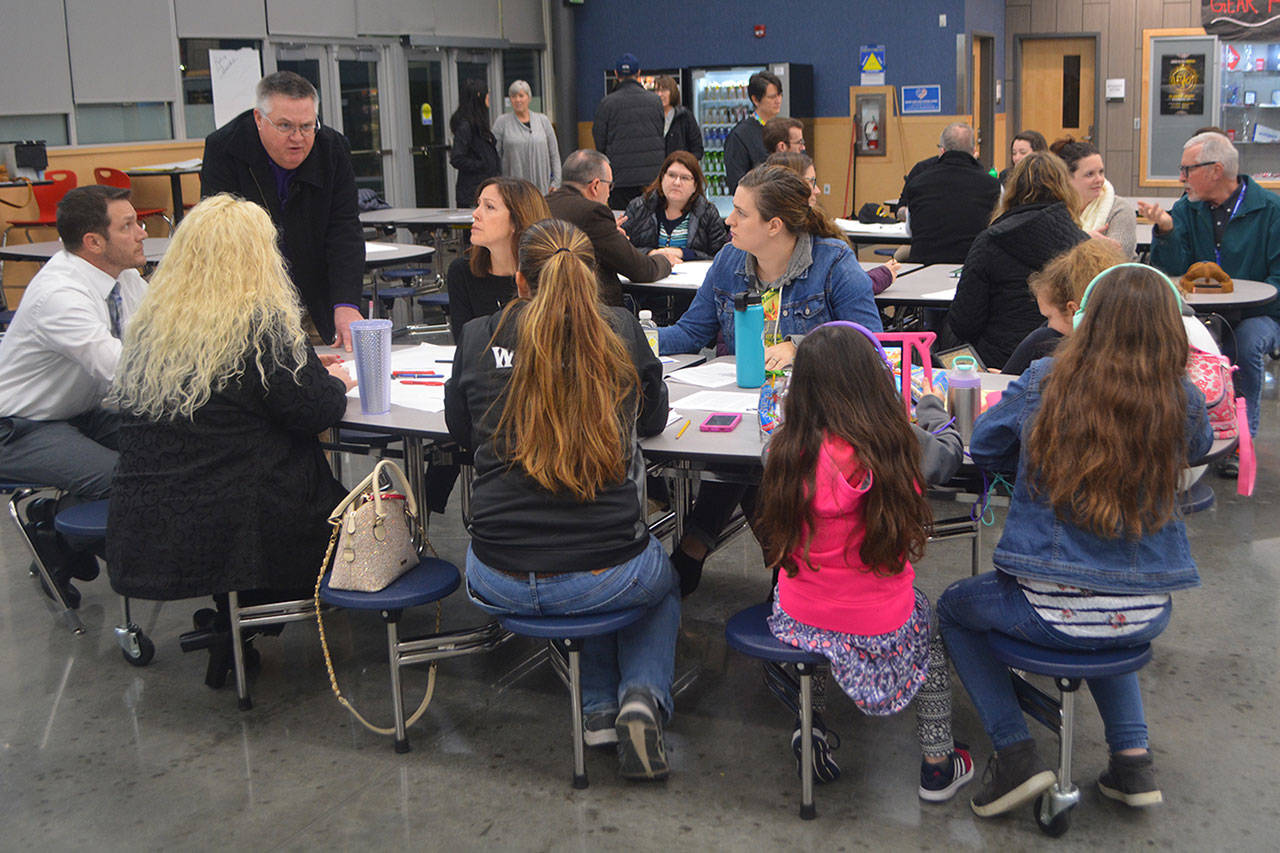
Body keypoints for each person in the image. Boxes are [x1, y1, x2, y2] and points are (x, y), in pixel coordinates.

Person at [938, 263, 1212, 820]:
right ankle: (1132, 761)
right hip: (1146, 610)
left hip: (1050, 609)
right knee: (1105, 618)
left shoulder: (1044, 377)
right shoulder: (1181, 397)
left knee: (953, 610)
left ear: (1085, 320)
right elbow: (1198, 445)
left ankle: (1014, 750)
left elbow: (986, 447)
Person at [447, 218, 677, 781]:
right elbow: (652, 417)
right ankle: (640, 697)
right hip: (602, 568)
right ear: (589, 275)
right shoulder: (619, 328)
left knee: (586, 570)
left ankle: (597, 709)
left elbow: (461, 431)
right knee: (657, 581)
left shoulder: (478, 335)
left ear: (520, 282)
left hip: (496, 569)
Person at [106, 195, 355, 684]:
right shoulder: (261, 327)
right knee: (367, 507)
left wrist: (303, 367)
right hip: (251, 529)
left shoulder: (150, 329)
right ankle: (261, 613)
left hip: (158, 524)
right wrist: (336, 381)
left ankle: (242, 617)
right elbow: (315, 409)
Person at [755, 322, 972, 800]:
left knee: (820, 648)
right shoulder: (898, 446)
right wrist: (931, 407)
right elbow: (950, 454)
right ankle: (938, 763)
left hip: (800, 614)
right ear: (875, 380)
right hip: (884, 618)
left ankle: (809, 727)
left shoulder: (783, 450)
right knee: (929, 639)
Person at [658, 165, 882, 595]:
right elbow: (691, 332)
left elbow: (868, 345)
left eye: (741, 213)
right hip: (737, 402)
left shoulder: (834, 263)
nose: (728, 220)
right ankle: (784, 565)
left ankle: (703, 546)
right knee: (739, 449)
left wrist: (801, 345)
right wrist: (632, 338)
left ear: (774, 225)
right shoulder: (727, 261)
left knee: (763, 457)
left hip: (816, 412)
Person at [0, 185, 147, 607]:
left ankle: (56, 525)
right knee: (126, 477)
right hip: (20, 427)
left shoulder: (126, 278)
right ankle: (56, 539)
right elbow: (123, 369)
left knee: (172, 447)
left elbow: (166, 337)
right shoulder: (61, 296)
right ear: (94, 242)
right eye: (128, 226)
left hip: (81, 411)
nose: (142, 233)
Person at [1141, 131, 1280, 470]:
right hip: (1201, 312)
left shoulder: (1270, 211)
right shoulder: (1186, 209)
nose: (1181, 178)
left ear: (1216, 170)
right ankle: (1185, 433)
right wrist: (1167, 228)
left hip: (1260, 314)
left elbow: (1278, 280)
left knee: (1245, 344)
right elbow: (1171, 272)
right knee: (1172, 340)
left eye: (1187, 169)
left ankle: (1239, 442)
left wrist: (1243, 302)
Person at [201, 70, 364, 350]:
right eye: (285, 126)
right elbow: (219, 235)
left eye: (307, 126)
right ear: (258, 120)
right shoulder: (225, 148)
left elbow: (344, 229)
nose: (298, 138)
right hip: (248, 298)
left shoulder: (332, 150)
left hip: (314, 289)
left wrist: (346, 303)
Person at [946, 151, 1088, 368]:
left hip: (996, 362)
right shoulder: (1082, 245)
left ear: (1013, 190)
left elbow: (964, 322)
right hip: (1065, 362)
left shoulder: (990, 241)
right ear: (1066, 189)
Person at [547, 149, 679, 306]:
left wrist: (609, 232)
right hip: (593, 312)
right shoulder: (594, 213)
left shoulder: (544, 203)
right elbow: (641, 270)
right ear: (595, 186)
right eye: (609, 186)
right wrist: (664, 260)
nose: (609, 194)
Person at [447, 176, 551, 343]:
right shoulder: (462, 273)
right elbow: (465, 345)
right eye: (478, 204)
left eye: (489, 207)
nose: (475, 214)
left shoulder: (548, 273)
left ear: (516, 222)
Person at [1003, 238, 1127, 375]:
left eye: (1049, 317)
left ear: (1073, 311)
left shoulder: (1047, 348)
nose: (1049, 325)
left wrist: (1014, 383)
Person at [897, 123, 1001, 265]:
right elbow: (999, 230)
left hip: (925, 268)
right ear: (974, 151)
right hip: (973, 267)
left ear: (942, 150)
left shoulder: (917, 184)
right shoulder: (994, 186)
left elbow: (910, 231)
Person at [621, 151, 727, 261]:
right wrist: (651, 253)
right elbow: (621, 249)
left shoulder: (707, 213)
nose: (676, 183)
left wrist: (683, 253)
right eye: (671, 175)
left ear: (695, 185)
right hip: (646, 276)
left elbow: (721, 256)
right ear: (662, 178)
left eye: (685, 178)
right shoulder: (639, 207)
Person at [592, 53, 665, 209]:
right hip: (650, 178)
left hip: (620, 179)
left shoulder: (607, 103)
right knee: (650, 223)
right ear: (638, 74)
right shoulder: (655, 101)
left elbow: (599, 141)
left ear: (616, 74)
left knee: (623, 223)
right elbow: (660, 133)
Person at [1051, 136, 1137, 258]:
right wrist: (1085, 239)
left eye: (1101, 172)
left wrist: (1075, 243)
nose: (1099, 179)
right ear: (1067, 178)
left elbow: (1117, 256)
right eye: (1090, 174)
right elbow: (1047, 255)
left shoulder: (1120, 209)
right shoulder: (1053, 209)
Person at [492, 80, 561, 193]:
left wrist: (556, 182)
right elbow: (494, 156)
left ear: (529, 98)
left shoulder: (543, 120)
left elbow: (554, 154)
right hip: (514, 190)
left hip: (542, 189)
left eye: (521, 96)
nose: (518, 100)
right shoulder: (502, 122)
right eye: (514, 96)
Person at [724, 71, 783, 193]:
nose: (778, 101)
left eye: (779, 95)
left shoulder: (782, 128)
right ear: (756, 100)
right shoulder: (740, 136)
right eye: (772, 97)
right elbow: (737, 182)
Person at [449, 79, 501, 208]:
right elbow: (457, 158)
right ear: (479, 96)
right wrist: (482, 165)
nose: (489, 97)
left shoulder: (480, 125)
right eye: (486, 94)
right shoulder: (466, 126)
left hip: (487, 188)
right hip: (472, 193)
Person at [654, 75, 703, 159]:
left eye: (664, 90)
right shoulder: (652, 117)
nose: (660, 94)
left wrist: (684, 163)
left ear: (672, 91)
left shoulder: (685, 116)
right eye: (657, 90)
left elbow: (697, 149)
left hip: (680, 168)